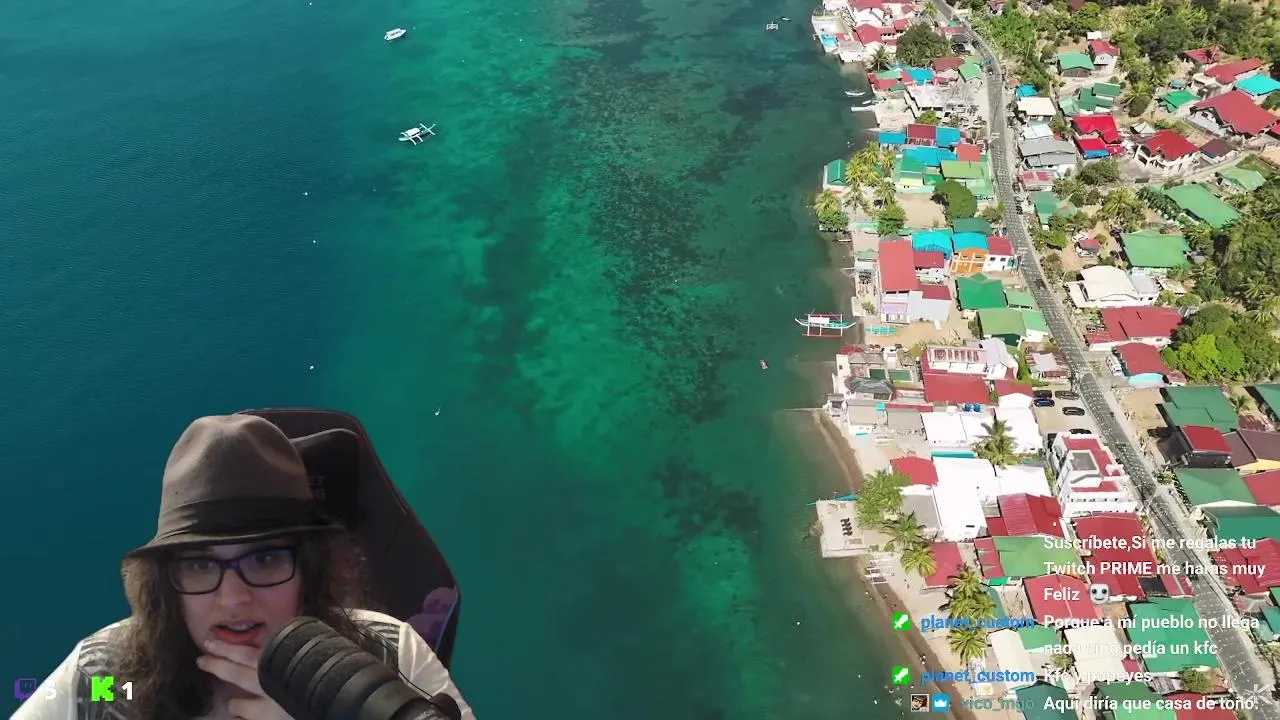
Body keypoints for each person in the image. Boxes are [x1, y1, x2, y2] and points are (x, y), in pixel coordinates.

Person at [14, 414, 476, 720]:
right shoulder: (110, 682)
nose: (234, 598)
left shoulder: (394, 655)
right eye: (200, 564)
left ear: (310, 568)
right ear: (165, 585)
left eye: (264, 558)